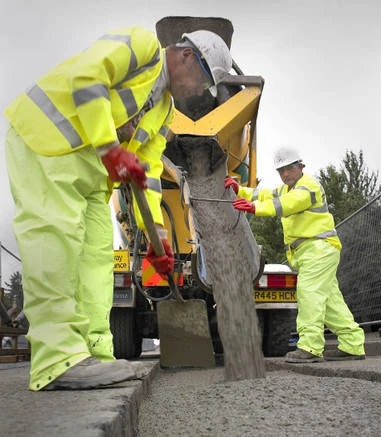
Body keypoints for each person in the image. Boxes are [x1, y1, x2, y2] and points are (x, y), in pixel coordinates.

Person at [4, 25, 232, 390]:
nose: (199, 94)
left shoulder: (163, 111)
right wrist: (111, 148)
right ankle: (57, 358)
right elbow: (86, 79)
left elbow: (149, 176)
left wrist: (158, 235)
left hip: (92, 172)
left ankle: (93, 350)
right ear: (188, 56)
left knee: (96, 259)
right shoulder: (141, 47)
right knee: (57, 241)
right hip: (49, 138)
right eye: (203, 84)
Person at [226, 146, 365, 363]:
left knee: (309, 293)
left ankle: (310, 347)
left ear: (300, 166)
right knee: (330, 302)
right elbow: (262, 194)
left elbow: (287, 205)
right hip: (310, 251)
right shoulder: (286, 189)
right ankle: (353, 344)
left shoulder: (308, 187)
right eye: (280, 171)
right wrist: (239, 189)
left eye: (288, 169)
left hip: (318, 248)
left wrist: (254, 208)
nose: (284, 175)